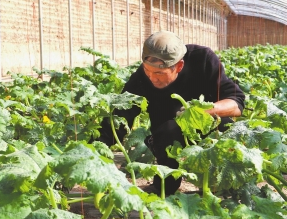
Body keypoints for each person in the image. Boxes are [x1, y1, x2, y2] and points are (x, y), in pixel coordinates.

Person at [98, 30, 246, 195]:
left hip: (207, 131)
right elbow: (120, 117)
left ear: (179, 66)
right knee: (164, 186)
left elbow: (236, 102)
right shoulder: (142, 77)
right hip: (166, 138)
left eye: (159, 73)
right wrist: (95, 149)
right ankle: (166, 186)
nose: (152, 78)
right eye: (148, 71)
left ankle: (225, 183)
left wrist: (199, 112)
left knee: (226, 127)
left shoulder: (203, 59)